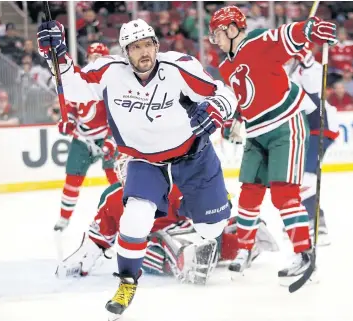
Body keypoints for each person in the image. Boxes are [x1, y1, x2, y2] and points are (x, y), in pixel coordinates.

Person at [37, 18, 237, 319]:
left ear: (156, 45)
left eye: (148, 44)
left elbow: (224, 93)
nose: (143, 52)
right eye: (135, 47)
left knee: (212, 227)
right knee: (134, 218)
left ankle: (199, 211)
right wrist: (57, 56)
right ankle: (127, 282)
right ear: (124, 52)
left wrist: (217, 110)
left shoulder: (179, 67)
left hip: (194, 154)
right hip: (144, 161)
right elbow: (74, 86)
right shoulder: (110, 72)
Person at [208, 6, 337, 280]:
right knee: (249, 193)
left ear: (232, 29)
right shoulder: (225, 66)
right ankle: (244, 249)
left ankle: (304, 253)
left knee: (283, 194)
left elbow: (285, 35)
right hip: (256, 133)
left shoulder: (257, 42)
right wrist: (236, 119)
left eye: (218, 33)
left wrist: (309, 29)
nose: (215, 39)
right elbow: (243, 97)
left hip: (285, 126)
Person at [56, 155, 279, 282]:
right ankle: (235, 242)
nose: (129, 174)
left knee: (169, 243)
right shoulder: (112, 198)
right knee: (147, 247)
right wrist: (80, 262)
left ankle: (237, 238)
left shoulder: (164, 183)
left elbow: (192, 208)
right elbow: (99, 238)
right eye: (124, 169)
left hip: (181, 230)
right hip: (155, 240)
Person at [53, 42, 119, 232]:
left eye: (99, 58)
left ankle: (123, 211)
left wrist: (109, 142)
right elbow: (72, 107)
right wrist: (69, 121)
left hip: (106, 138)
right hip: (83, 139)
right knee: (73, 178)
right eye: (92, 57)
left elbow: (118, 117)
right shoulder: (80, 79)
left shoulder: (112, 84)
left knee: (116, 178)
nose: (95, 61)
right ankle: (64, 219)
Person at [286, 45, 339, 246]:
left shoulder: (311, 68)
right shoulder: (287, 72)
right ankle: (303, 219)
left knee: (306, 178)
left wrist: (306, 61)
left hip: (320, 128)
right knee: (295, 177)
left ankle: (317, 223)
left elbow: (314, 88)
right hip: (304, 132)